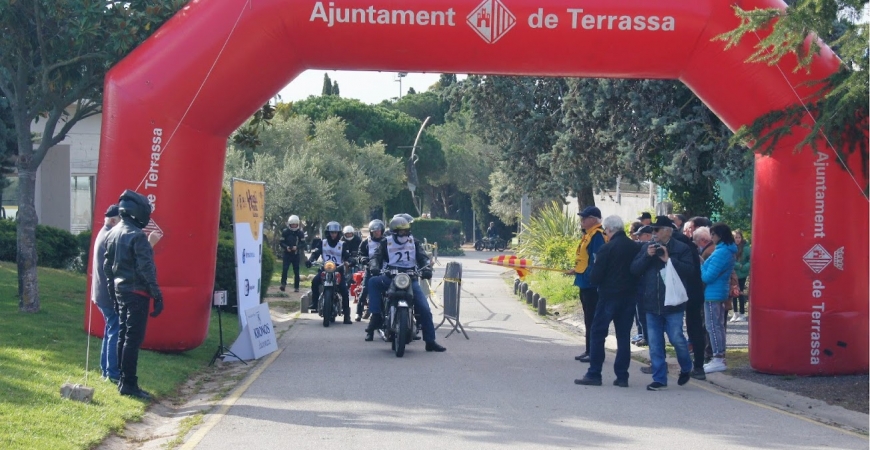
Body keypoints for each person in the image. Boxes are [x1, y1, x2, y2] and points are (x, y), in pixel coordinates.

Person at [103, 190, 164, 400]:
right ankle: (129, 383)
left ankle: (123, 380)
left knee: (123, 336)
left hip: (121, 292)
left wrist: (113, 294)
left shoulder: (112, 233)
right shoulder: (137, 236)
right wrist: (157, 295)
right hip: (137, 293)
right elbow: (146, 269)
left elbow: (107, 268)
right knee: (132, 339)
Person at [630, 215, 694, 391]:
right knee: (656, 343)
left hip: (673, 304)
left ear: (668, 231)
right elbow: (634, 269)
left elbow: (690, 271)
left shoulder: (681, 248)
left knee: (677, 339)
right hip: (651, 303)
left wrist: (669, 260)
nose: (654, 233)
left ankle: (687, 367)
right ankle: (659, 378)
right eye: (652, 230)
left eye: (657, 230)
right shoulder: (647, 247)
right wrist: (647, 256)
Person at [575, 216, 639, 387]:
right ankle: (622, 376)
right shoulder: (634, 247)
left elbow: (595, 276)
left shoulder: (606, 248)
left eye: (606, 231)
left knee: (598, 333)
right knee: (623, 336)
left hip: (609, 295)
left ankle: (594, 373)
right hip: (629, 296)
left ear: (609, 230)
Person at [364, 216, 446, 352]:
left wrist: (426, 268)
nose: (404, 234)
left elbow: (423, 257)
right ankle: (376, 315)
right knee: (372, 282)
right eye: (401, 231)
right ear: (394, 231)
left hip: (410, 278)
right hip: (391, 276)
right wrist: (374, 266)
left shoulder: (414, 242)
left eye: (406, 231)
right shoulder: (386, 242)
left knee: (425, 308)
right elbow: (376, 257)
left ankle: (430, 341)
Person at [569, 206, 607, 363]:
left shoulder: (597, 235)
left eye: (585, 218)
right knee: (588, 318)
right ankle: (588, 349)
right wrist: (576, 270)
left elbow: (596, 260)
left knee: (592, 318)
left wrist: (591, 276)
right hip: (584, 281)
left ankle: (594, 352)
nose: (582, 220)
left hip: (591, 284)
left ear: (593, 219)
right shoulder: (588, 234)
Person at [701, 223, 738, 373]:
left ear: (720, 235)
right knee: (718, 326)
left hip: (713, 293)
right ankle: (719, 356)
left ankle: (717, 357)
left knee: (713, 326)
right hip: (719, 291)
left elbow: (707, 276)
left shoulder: (720, 252)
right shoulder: (727, 251)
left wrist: (700, 264)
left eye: (713, 235)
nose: (712, 238)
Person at [91, 204, 122, 384]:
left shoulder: (103, 233)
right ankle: (112, 372)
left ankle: (106, 370)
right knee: (115, 331)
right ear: (112, 220)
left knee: (110, 330)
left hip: (101, 293)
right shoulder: (110, 237)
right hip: (107, 294)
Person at [306, 221, 353, 324]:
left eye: (335, 232)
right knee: (314, 282)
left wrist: (350, 261)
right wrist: (310, 260)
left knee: (344, 291)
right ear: (328, 233)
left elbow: (347, 256)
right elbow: (316, 253)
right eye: (331, 232)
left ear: (338, 233)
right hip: (325, 268)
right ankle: (314, 303)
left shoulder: (342, 244)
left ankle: (347, 315)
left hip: (338, 270)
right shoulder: (322, 243)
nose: (333, 234)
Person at [356, 219, 385, 322]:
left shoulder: (386, 241)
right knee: (365, 290)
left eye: (379, 230)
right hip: (370, 269)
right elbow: (360, 254)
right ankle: (359, 312)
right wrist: (363, 259)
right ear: (371, 232)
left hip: (384, 269)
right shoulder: (366, 242)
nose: (377, 233)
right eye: (375, 231)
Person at [631, 225, 653, 348]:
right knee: (640, 313)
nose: (638, 238)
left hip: (646, 286)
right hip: (641, 285)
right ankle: (643, 335)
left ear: (648, 235)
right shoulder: (642, 247)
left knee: (644, 313)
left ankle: (646, 337)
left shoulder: (648, 247)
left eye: (640, 235)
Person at [279, 215, 305, 292]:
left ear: (297, 224)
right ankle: (283, 284)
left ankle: (296, 287)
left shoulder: (300, 233)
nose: (293, 226)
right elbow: (281, 242)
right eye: (292, 224)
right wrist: (286, 247)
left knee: (296, 271)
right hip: (287, 254)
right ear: (289, 224)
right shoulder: (285, 232)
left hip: (296, 254)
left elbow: (303, 243)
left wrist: (297, 247)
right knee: (285, 269)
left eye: (295, 224)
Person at [731, 229, 750, 322]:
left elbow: (751, 260)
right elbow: (729, 260)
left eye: (739, 237)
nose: (737, 239)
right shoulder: (730, 248)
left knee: (741, 293)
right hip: (734, 273)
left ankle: (742, 313)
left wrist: (744, 267)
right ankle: (735, 312)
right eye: (735, 238)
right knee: (733, 293)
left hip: (742, 274)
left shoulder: (746, 248)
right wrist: (738, 265)